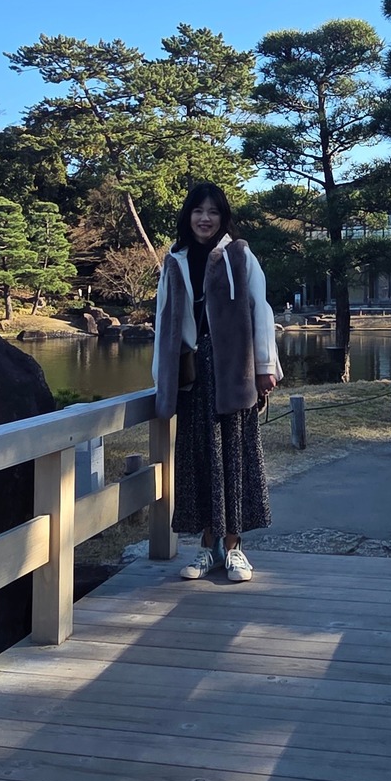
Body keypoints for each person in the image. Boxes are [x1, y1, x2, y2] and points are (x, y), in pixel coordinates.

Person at [152, 182, 282, 582]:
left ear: (223, 217)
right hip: (194, 374)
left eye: (212, 211)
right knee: (199, 460)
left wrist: (264, 366)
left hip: (233, 370)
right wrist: (162, 379)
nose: (204, 218)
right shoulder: (175, 260)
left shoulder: (240, 255)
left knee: (233, 457)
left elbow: (260, 309)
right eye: (197, 211)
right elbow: (163, 321)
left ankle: (234, 547)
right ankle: (207, 546)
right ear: (187, 216)